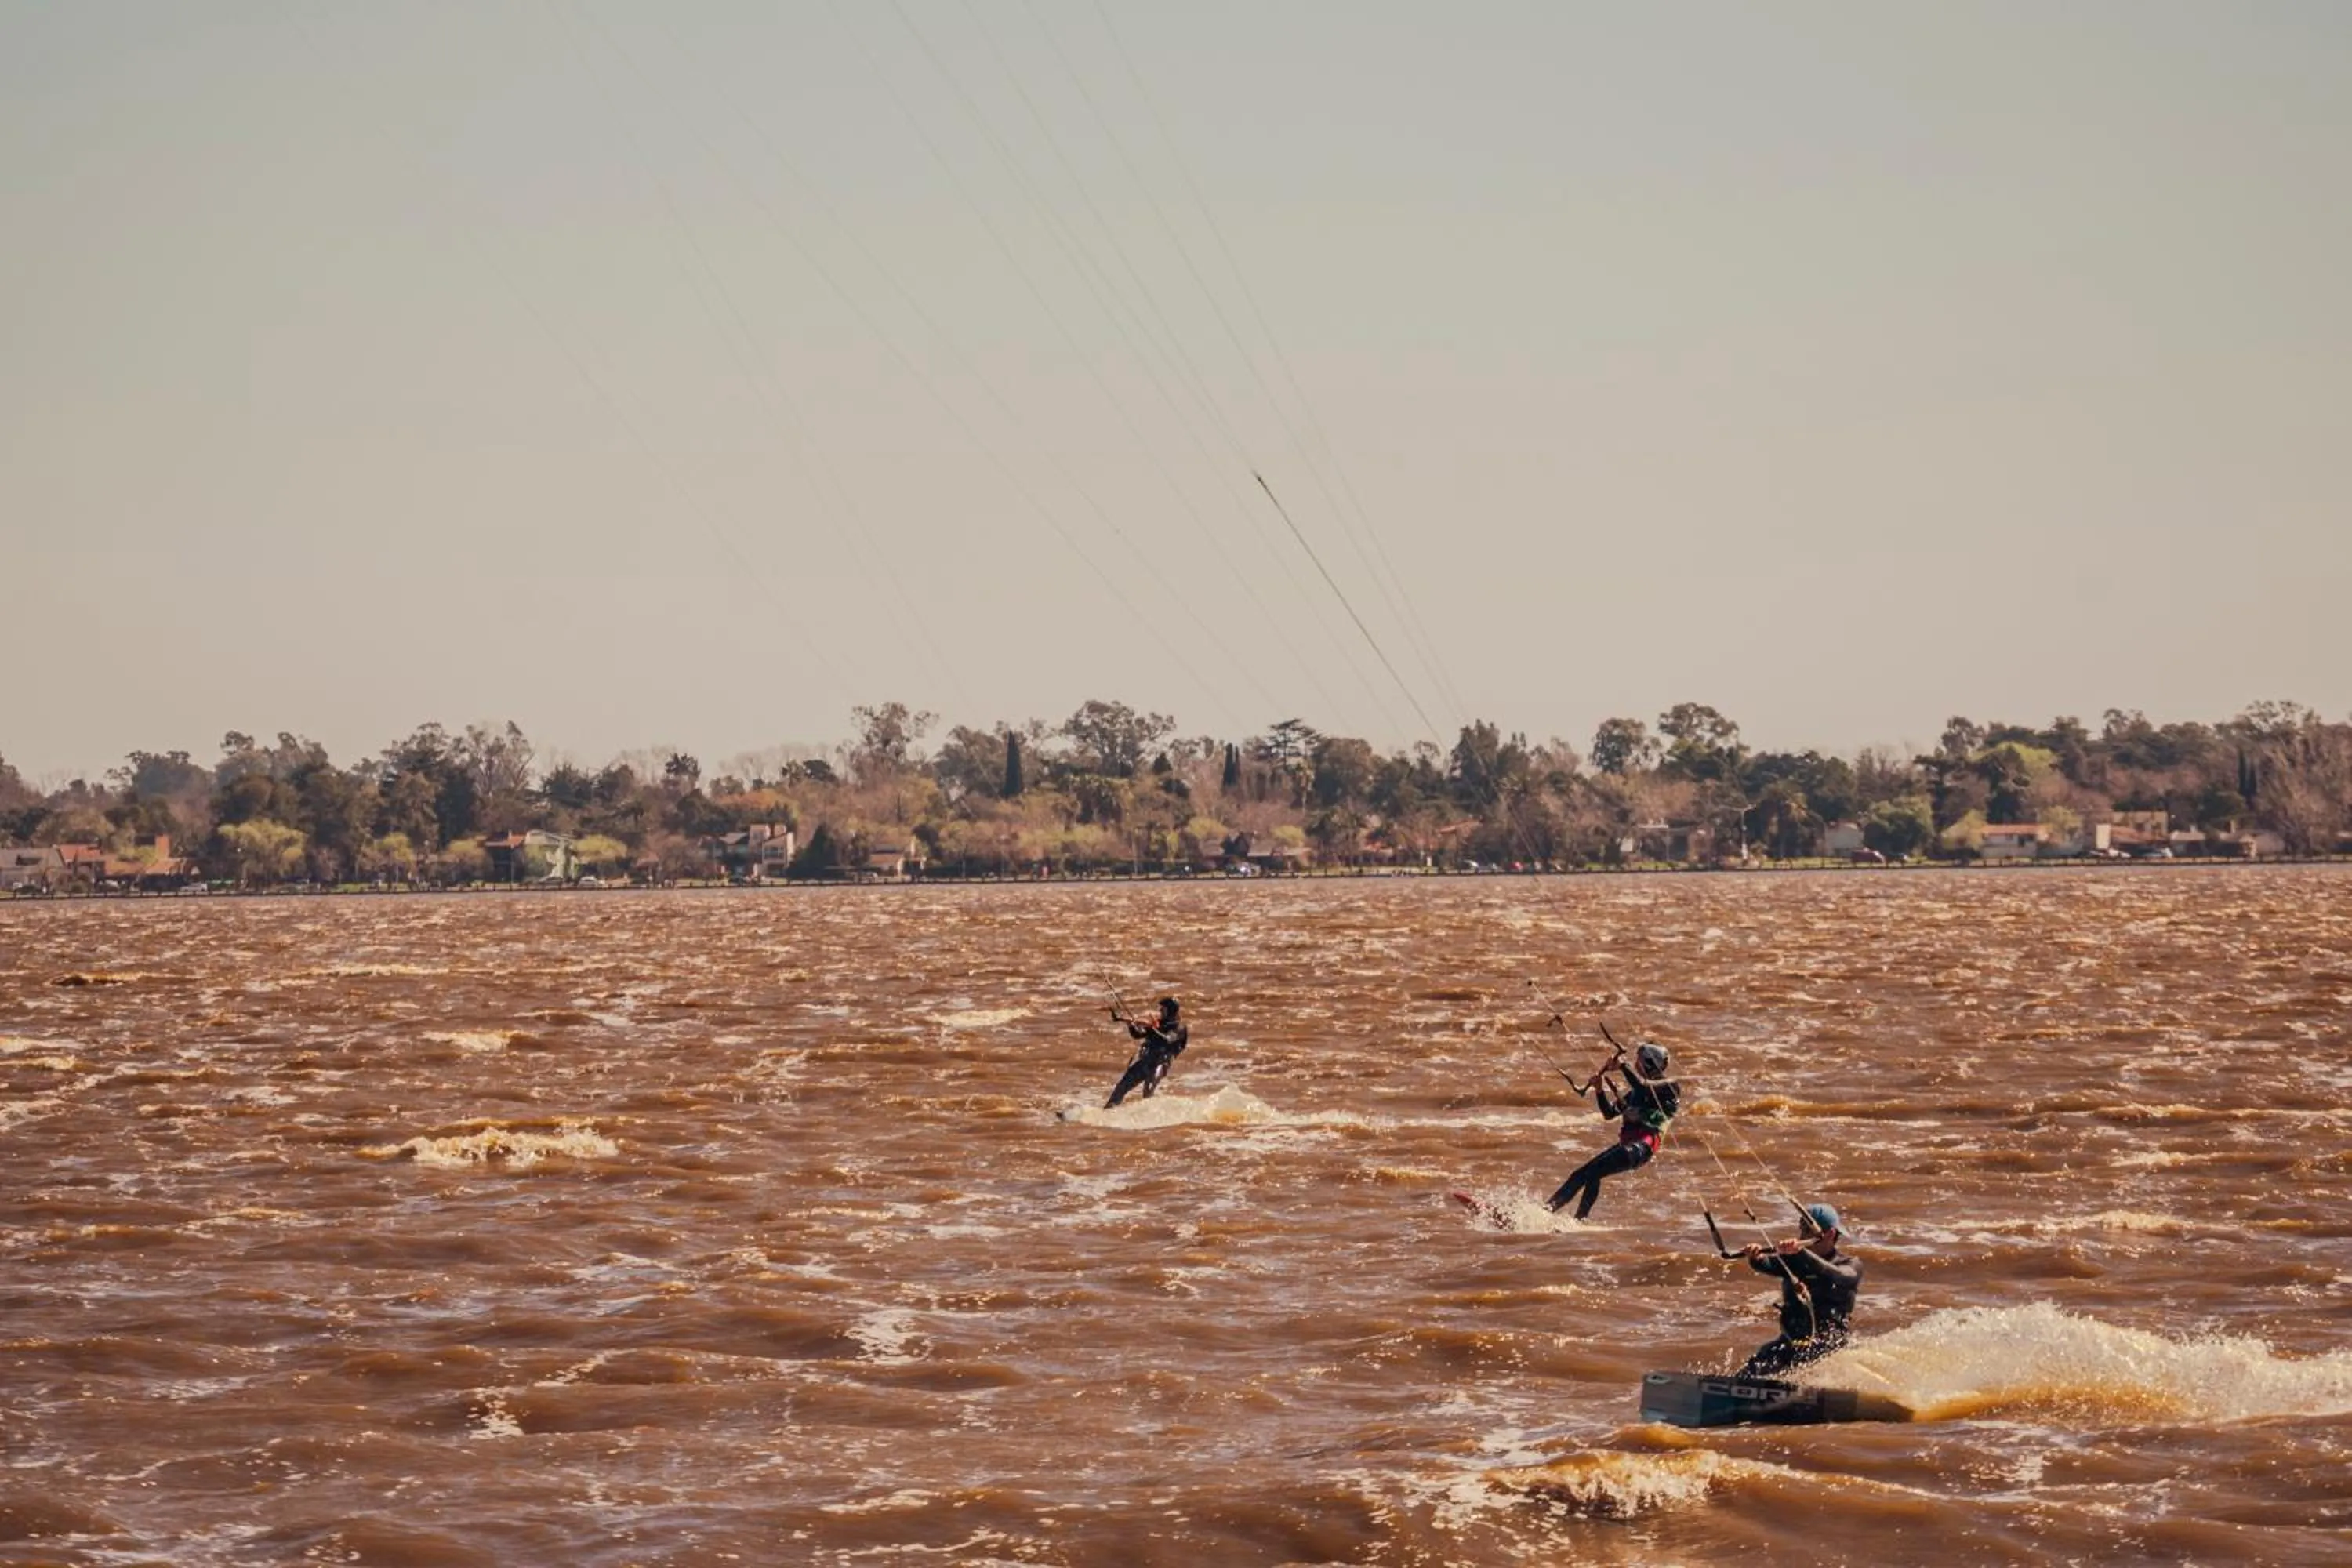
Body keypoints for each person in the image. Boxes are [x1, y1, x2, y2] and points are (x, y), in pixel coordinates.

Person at [1545, 1040, 1680, 1218]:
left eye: (1638, 1060)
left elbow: (1642, 1085)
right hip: (1629, 1144)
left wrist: (1622, 1066)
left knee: (1594, 1172)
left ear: (1648, 1061)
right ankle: (1546, 1211)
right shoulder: (1635, 1093)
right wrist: (1600, 1090)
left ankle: (1579, 1220)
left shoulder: (1669, 1085)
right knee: (1580, 1174)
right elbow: (1609, 1113)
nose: (1635, 1064)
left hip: (1644, 1145)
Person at [1735, 1203, 1862, 1377]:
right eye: (1801, 1230)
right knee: (1751, 1370)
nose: (1802, 1236)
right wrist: (1756, 1258)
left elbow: (1839, 1276)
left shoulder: (1850, 1264)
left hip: (1829, 1345)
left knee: (1804, 1367)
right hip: (1792, 1342)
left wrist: (1802, 1253)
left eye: (1808, 1232)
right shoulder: (1794, 1261)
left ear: (1830, 1234)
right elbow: (1769, 1265)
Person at [1105, 996, 1188, 1108]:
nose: (1160, 1012)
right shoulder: (1159, 1024)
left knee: (1148, 1089)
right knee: (1122, 1087)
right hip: (1146, 1061)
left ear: (1171, 1011)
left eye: (1163, 1010)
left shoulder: (1179, 1028)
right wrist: (1130, 1024)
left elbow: (1167, 1039)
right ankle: (1108, 1111)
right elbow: (1137, 1035)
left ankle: (1148, 1116)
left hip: (1160, 1063)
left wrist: (1152, 1027)